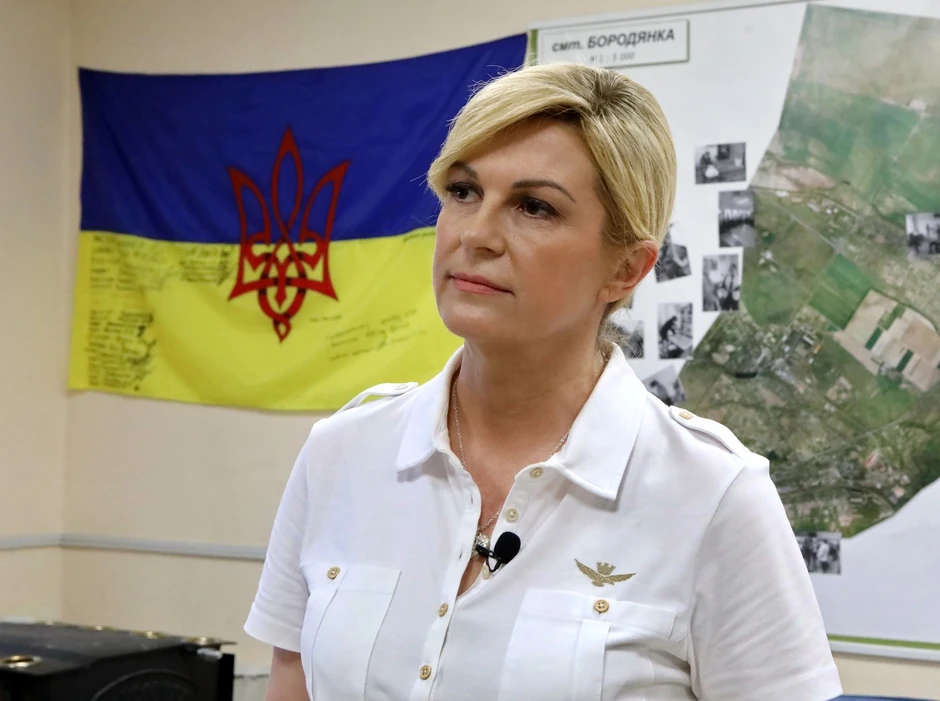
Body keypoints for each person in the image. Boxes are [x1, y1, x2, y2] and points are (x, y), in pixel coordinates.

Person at [245, 61, 842, 701]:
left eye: (534, 207)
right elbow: (292, 685)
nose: (476, 235)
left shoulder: (713, 494)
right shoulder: (342, 452)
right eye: (463, 191)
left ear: (626, 269)